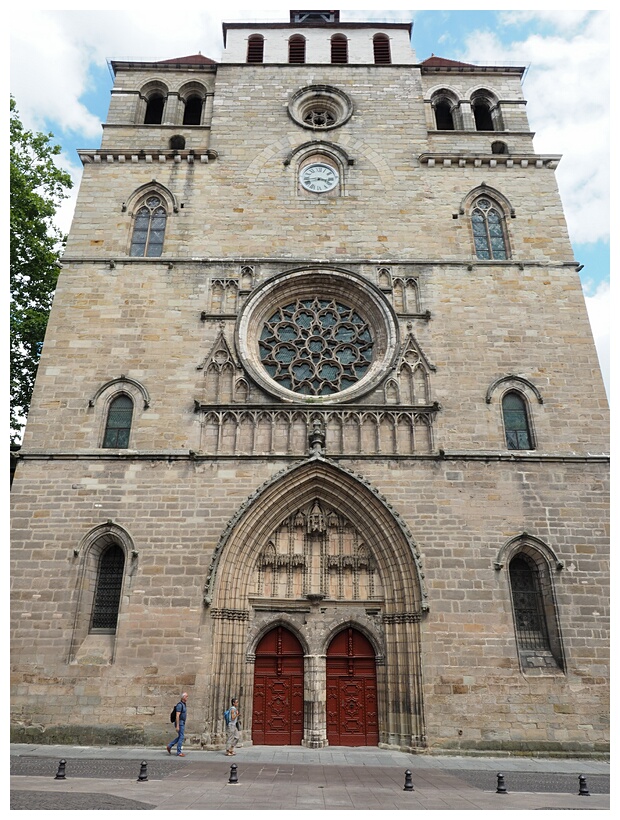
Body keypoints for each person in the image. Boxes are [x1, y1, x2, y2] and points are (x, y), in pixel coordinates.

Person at [167, 692, 188, 757]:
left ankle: (170, 745)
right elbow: (177, 715)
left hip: (182, 723)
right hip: (180, 723)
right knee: (181, 737)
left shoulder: (184, 704)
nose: (187, 698)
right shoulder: (180, 705)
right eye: (186, 696)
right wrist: (177, 726)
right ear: (183, 697)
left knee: (180, 736)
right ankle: (179, 752)